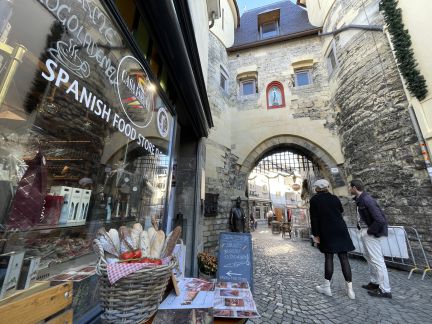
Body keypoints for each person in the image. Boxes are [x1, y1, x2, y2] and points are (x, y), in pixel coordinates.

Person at [310, 179, 355, 299]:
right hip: (340, 229)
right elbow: (340, 210)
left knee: (328, 257)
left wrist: (316, 234)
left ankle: (327, 287)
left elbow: (314, 218)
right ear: (327, 187)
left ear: (316, 189)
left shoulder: (314, 200)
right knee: (344, 258)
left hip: (327, 231)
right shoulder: (335, 198)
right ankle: (350, 290)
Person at [349, 179, 392, 298]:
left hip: (370, 233)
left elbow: (380, 219)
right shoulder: (360, 199)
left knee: (377, 260)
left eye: (349, 187)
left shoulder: (366, 200)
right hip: (366, 232)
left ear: (354, 188)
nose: (349, 189)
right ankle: (375, 282)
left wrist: (369, 232)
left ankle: (385, 290)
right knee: (368, 257)